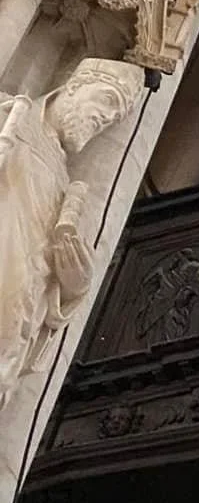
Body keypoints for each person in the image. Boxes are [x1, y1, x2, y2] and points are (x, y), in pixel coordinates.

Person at [0, 57, 142, 406]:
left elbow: (42, 282)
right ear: (74, 85)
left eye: (114, 118)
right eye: (106, 101)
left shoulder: (65, 187)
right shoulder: (8, 117)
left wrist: (71, 286)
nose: (104, 118)